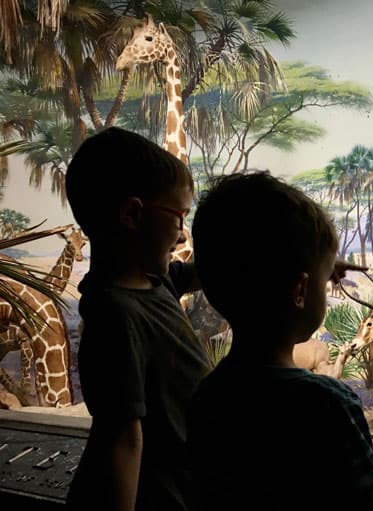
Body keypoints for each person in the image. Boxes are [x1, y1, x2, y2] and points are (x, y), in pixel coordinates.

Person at [187, 172, 373, 510]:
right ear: (300, 291)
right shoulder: (329, 404)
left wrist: (316, 269)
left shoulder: (206, 397)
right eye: (324, 282)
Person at [64, 127, 211, 510]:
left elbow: (211, 272)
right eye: (179, 216)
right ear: (132, 214)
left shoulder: (154, 280)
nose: (182, 234)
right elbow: (122, 441)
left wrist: (304, 264)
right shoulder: (115, 316)